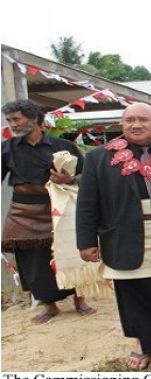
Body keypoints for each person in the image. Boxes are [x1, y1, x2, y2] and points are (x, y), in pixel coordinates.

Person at [76, 103, 151, 370]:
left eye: (143, 119)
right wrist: (85, 241)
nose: (136, 124)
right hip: (124, 234)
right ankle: (143, 343)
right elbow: (86, 203)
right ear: (122, 124)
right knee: (133, 293)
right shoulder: (98, 158)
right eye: (129, 120)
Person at [1, 99, 95, 324]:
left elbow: (86, 176)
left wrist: (70, 178)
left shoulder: (63, 146)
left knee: (70, 252)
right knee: (33, 261)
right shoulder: (7, 148)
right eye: (9, 120)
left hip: (60, 205)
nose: (12, 124)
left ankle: (79, 300)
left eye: (16, 119)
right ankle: (49, 306)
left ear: (34, 118)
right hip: (23, 210)